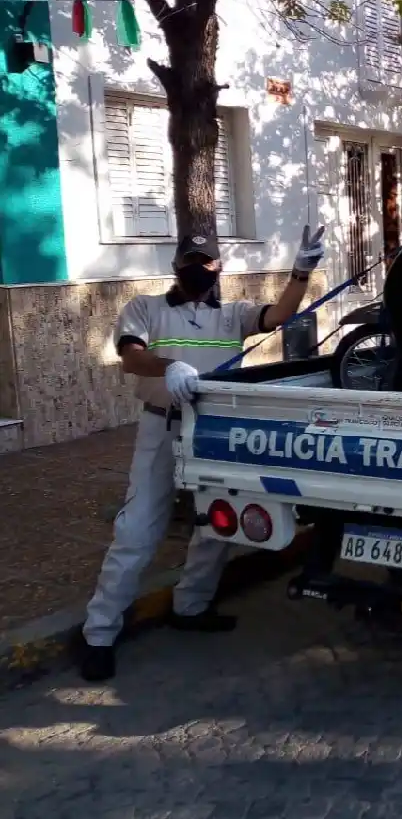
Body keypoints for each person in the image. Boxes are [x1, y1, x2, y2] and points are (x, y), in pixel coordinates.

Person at [79, 226, 326, 682]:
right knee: (137, 530)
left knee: (216, 525)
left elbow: (280, 315)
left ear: (218, 268)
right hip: (162, 425)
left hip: (215, 432)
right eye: (189, 261)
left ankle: (190, 608)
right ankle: (98, 634)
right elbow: (131, 356)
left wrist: (301, 273)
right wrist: (168, 365)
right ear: (175, 267)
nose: (197, 269)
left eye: (205, 262)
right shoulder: (144, 308)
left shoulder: (232, 314)